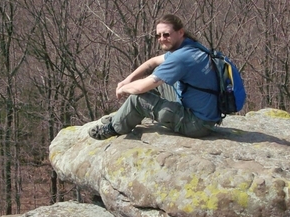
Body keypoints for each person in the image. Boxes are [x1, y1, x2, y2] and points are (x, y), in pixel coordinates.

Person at [88, 14, 221, 140]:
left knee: (137, 99)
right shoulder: (190, 47)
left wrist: (123, 88)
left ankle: (114, 127)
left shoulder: (181, 58)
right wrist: (128, 79)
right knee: (158, 74)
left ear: (180, 32)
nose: (162, 39)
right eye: (158, 35)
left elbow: (140, 88)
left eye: (166, 34)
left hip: (196, 124)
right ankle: (123, 116)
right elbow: (152, 62)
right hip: (206, 114)